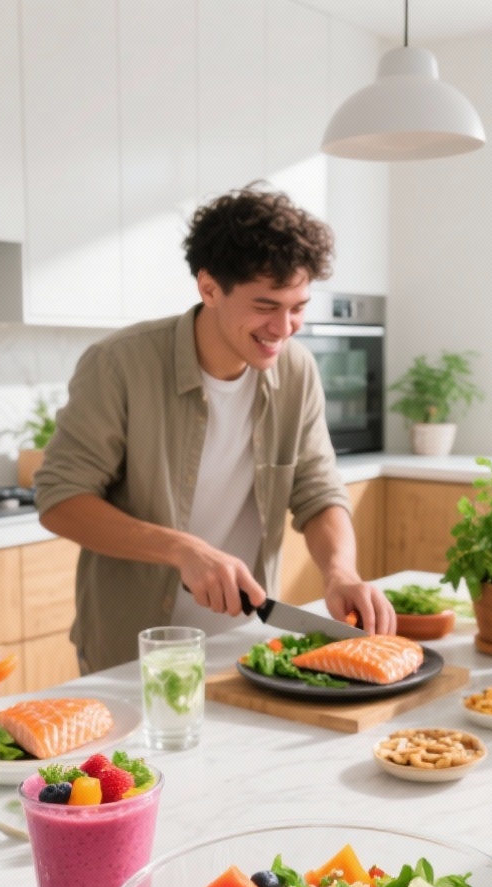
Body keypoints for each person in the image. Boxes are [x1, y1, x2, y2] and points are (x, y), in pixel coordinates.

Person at [35, 186, 396, 673]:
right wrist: (184, 550)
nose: (284, 327)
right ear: (208, 288)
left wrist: (340, 571)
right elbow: (60, 501)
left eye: (298, 307)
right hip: (134, 651)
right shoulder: (119, 364)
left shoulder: (297, 371)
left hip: (247, 647)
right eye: (266, 306)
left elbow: (317, 490)